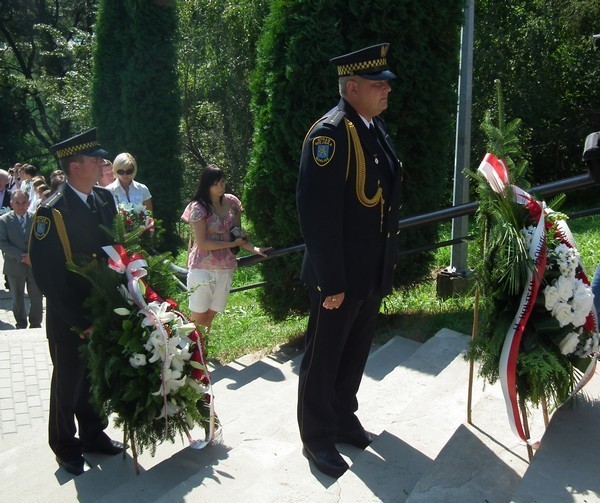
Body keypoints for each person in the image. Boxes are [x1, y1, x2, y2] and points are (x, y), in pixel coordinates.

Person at [296, 43, 403, 478]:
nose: (387, 91)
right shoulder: (330, 134)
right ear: (352, 87)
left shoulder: (372, 127)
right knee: (323, 360)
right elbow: (316, 213)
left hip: (368, 271)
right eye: (379, 84)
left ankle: (342, 417)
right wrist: (332, 281)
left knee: (353, 353)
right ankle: (316, 437)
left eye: (387, 84)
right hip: (338, 278)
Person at [29, 127, 122, 476]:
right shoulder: (51, 212)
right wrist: (80, 320)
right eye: (94, 159)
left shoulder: (104, 199)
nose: (102, 164)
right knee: (68, 383)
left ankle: (94, 435)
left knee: (96, 378)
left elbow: (114, 250)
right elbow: (47, 275)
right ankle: (65, 446)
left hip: (103, 308)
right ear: (74, 167)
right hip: (71, 316)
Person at [181, 164, 268, 332]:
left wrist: (254, 248)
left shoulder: (233, 202)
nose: (220, 187)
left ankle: (201, 351)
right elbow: (202, 243)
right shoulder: (198, 207)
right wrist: (231, 245)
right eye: (215, 184)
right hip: (202, 268)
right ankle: (197, 352)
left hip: (226, 267)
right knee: (198, 316)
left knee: (210, 315)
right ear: (206, 184)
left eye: (222, 182)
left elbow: (237, 234)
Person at [0, 189, 43, 329]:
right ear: (11, 204)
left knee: (36, 296)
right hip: (14, 265)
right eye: (17, 203)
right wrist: (21, 256)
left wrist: (33, 256)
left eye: (24, 202)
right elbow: (2, 242)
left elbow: (42, 240)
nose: (21, 206)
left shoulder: (37, 218)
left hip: (34, 264)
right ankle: (21, 322)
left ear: (29, 202)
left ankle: (35, 323)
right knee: (17, 297)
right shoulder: (4, 220)